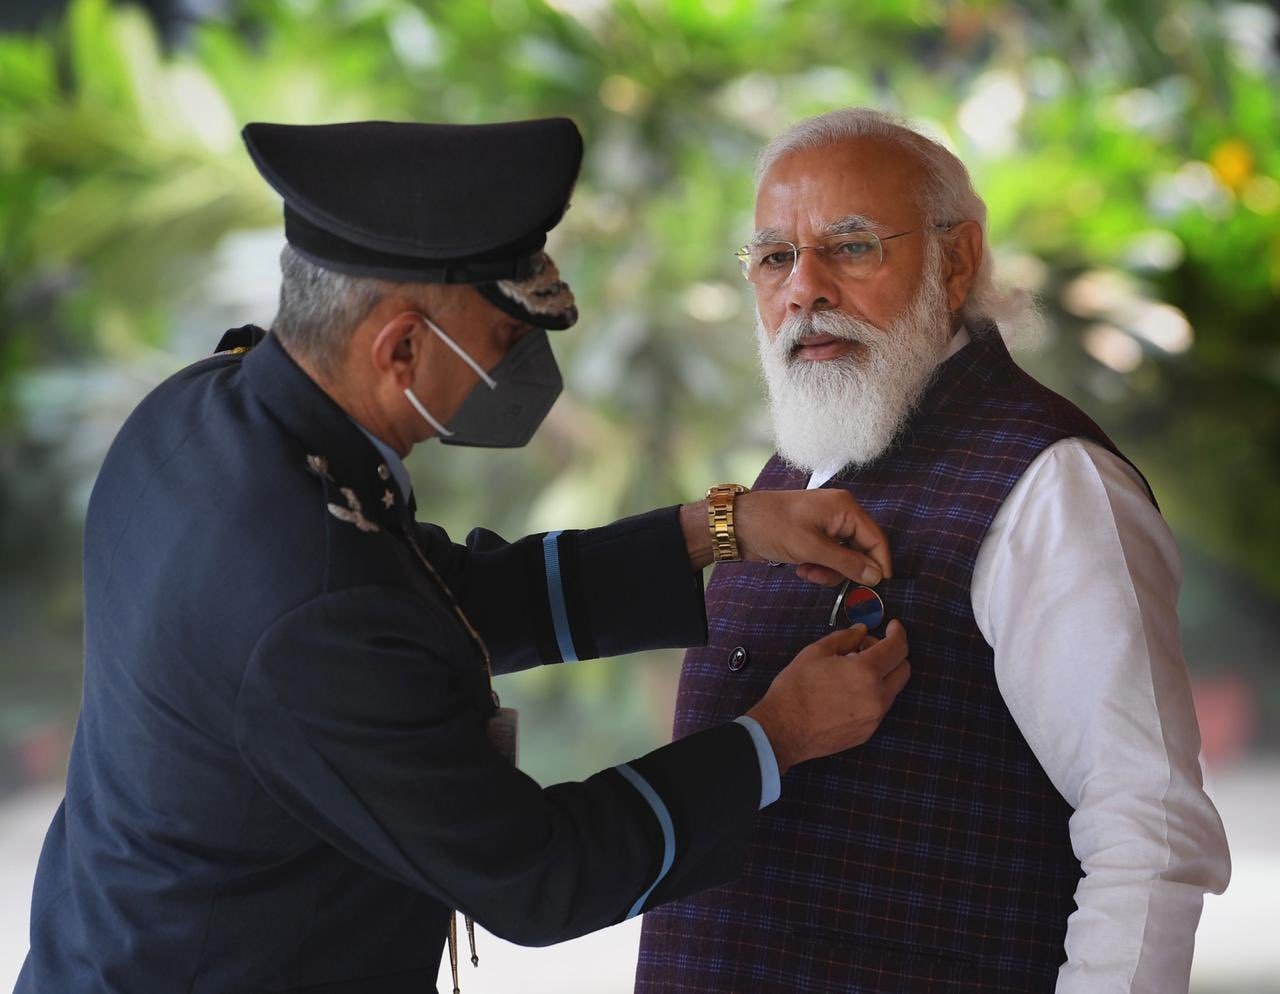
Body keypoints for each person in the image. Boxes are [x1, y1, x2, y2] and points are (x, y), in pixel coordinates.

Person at [15, 117, 914, 994]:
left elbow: (447, 599)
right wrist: (779, 735)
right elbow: (537, 875)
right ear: (401, 347)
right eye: (504, 342)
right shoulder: (312, 593)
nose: (519, 374)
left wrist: (722, 527)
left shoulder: (211, 413)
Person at [636, 108, 1231, 994]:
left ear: (956, 262)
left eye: (851, 246)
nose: (804, 290)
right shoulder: (793, 473)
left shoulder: (1054, 484)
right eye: (773, 258)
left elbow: (1149, 828)